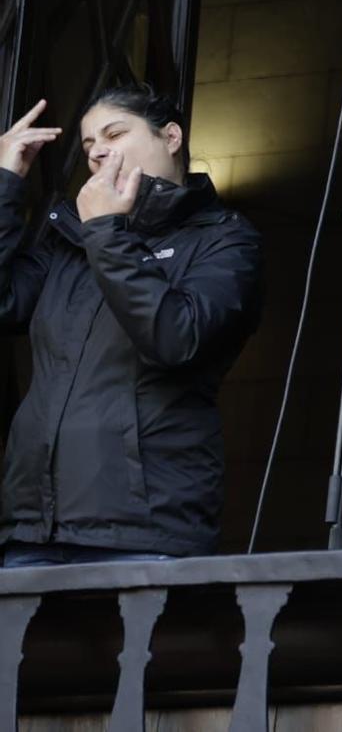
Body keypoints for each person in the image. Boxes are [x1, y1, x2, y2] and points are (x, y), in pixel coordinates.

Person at [0, 85, 263, 564]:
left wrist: (106, 233)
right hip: (33, 529)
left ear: (171, 137)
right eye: (87, 146)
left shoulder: (224, 239)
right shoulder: (69, 242)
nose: (98, 150)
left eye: (114, 133)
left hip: (144, 533)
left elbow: (176, 338)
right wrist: (6, 184)